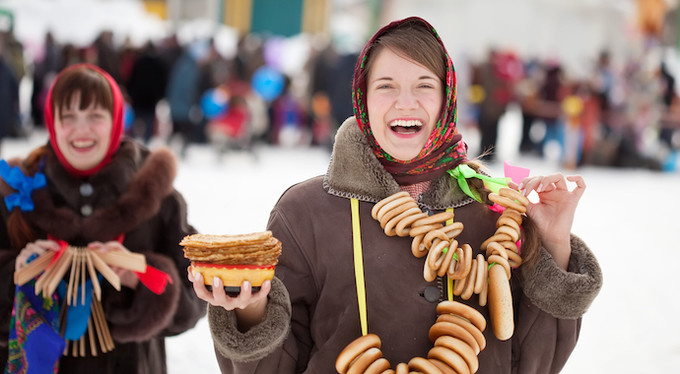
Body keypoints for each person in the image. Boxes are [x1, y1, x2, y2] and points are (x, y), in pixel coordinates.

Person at [190, 17, 602, 373]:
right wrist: (248, 310)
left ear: (447, 100)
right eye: (386, 86)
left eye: (424, 85)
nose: (406, 102)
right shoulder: (304, 213)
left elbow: (535, 363)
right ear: (363, 100)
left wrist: (553, 242)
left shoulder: (494, 213)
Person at [0, 64, 206, 373]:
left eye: (95, 116)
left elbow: (194, 302)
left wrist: (141, 275)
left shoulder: (158, 196)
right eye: (68, 117)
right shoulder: (16, 191)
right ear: (53, 123)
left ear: (116, 121)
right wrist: (14, 272)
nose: (81, 130)